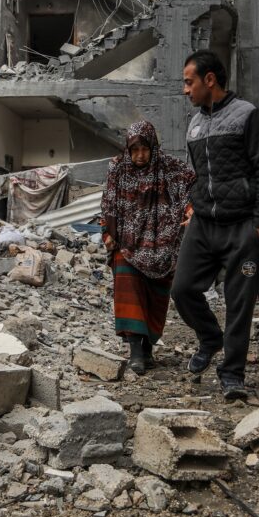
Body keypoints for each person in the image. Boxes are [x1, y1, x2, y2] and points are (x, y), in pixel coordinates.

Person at [171, 50, 259, 401]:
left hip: (242, 226)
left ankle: (232, 374)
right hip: (203, 224)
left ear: (209, 80)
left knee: (239, 304)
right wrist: (193, 204)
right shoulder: (194, 124)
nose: (185, 90)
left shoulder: (249, 116)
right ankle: (209, 338)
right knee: (182, 288)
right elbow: (198, 174)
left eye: (189, 82)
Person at [101, 121, 195, 374]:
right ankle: (135, 353)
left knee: (154, 298)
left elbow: (191, 189)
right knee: (129, 294)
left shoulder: (170, 169)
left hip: (161, 247)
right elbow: (108, 202)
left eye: (145, 149)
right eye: (135, 150)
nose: (140, 155)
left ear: (153, 147)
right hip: (127, 244)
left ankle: (147, 349)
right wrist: (107, 231)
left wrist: (191, 210)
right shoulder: (118, 169)